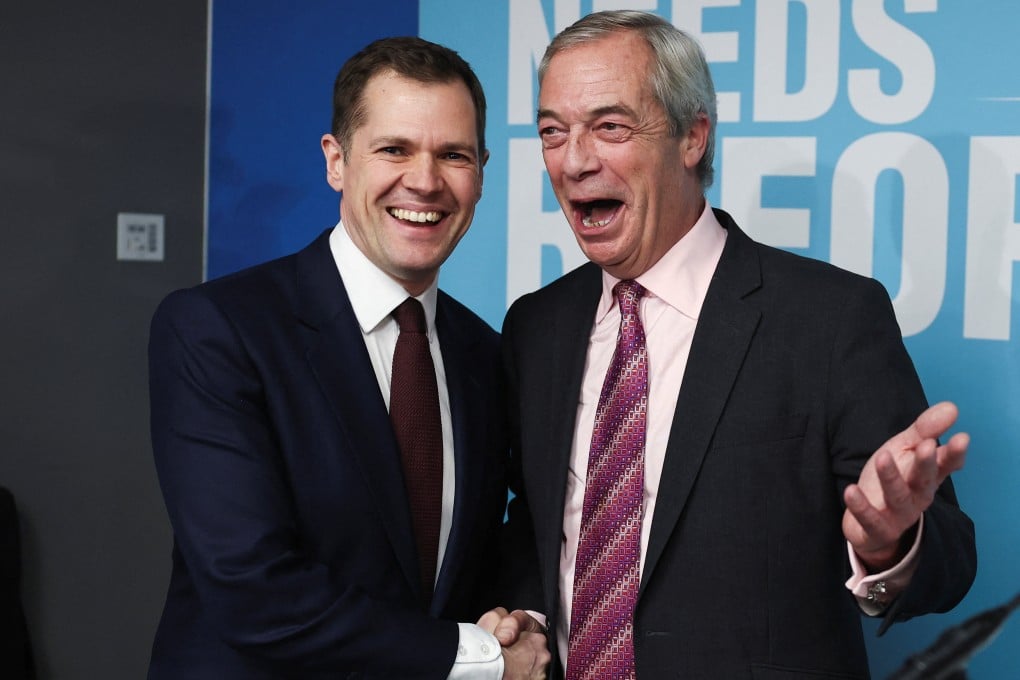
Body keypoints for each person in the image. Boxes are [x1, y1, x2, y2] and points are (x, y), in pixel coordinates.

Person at [494, 10, 975, 680]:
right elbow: (540, 528)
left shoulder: (831, 319)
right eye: (552, 131)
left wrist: (890, 542)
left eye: (610, 127)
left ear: (693, 135)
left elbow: (950, 563)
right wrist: (524, 619)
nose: (574, 161)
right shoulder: (535, 328)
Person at [147, 36, 548, 679]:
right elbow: (251, 587)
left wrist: (520, 623)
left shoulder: (486, 354)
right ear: (336, 161)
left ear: (481, 173)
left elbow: (488, 555)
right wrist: (479, 658)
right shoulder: (218, 330)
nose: (425, 180)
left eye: (454, 154)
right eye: (394, 149)